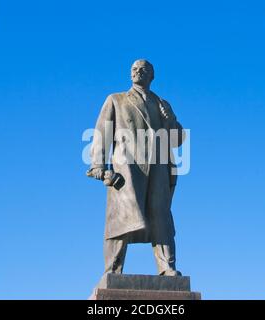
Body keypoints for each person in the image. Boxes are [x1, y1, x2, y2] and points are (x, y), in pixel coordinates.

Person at [88, 59, 185, 276]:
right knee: (120, 218)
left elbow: (177, 140)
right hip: (127, 169)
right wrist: (98, 165)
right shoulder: (116, 100)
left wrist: (170, 122)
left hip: (158, 167)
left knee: (161, 218)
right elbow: (102, 133)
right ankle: (112, 270)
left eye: (143, 69)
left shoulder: (162, 104)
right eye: (134, 69)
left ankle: (167, 267)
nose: (137, 72)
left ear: (152, 76)